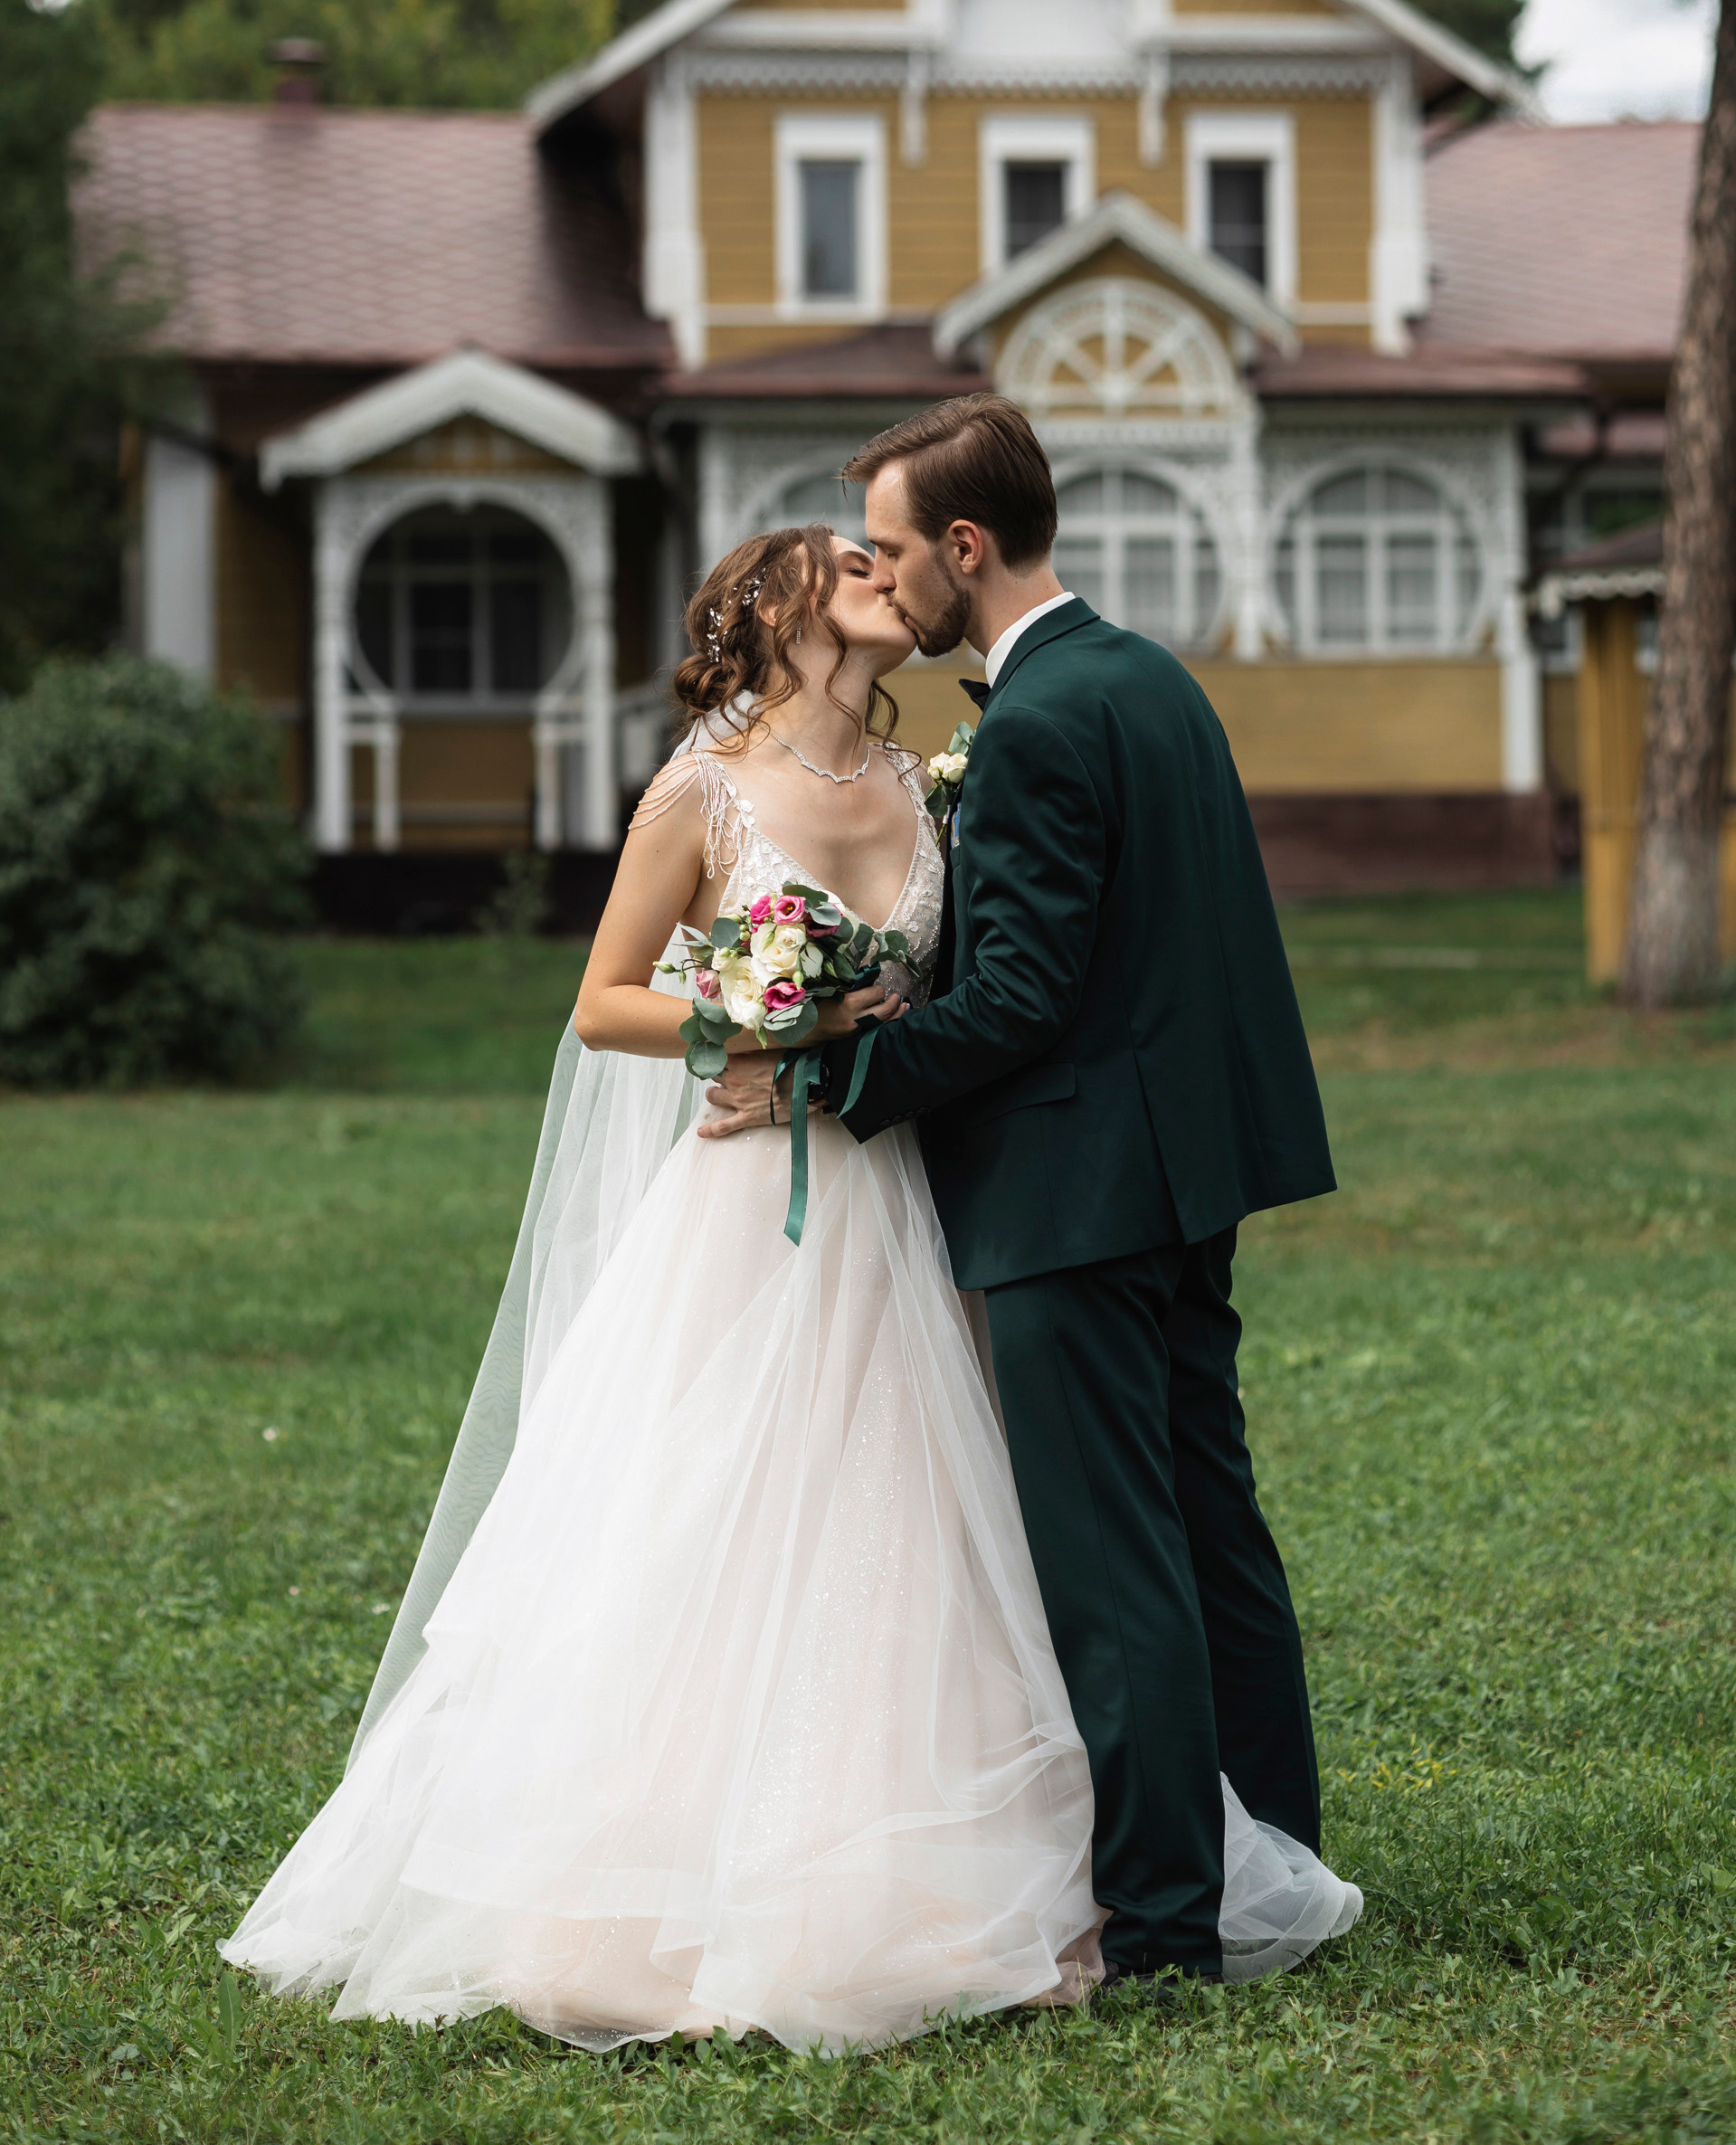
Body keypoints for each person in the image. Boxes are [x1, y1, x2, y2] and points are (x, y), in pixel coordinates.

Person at [223, 517, 1357, 2055]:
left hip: (905, 1189)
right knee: (717, 1507)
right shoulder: (699, 791)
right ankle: (675, 1878)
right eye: (851, 563)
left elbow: (978, 985)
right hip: (750, 1204)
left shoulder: (921, 787)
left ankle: (978, 1864)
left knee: (927, 1508)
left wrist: (860, 1044)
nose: (885, 576)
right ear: (777, 610)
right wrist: (750, 1027)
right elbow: (604, 1000)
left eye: (888, 556)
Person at [702, 400, 1356, 1992]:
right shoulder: (1146, 677)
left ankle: (1159, 1927)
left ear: (967, 548)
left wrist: (819, 1080)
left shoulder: (1044, 721)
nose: (887, 577)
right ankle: (1276, 1860)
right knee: (1211, 1530)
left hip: (1078, 1186)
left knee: (1114, 1563)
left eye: (896, 547)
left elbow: (1017, 1001)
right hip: (1191, 1168)